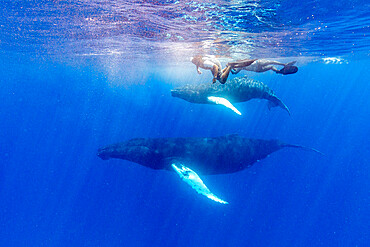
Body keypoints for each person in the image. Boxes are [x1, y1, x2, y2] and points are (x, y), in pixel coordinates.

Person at [191, 55, 256, 84]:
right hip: (213, 62)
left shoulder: (205, 63)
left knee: (222, 81)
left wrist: (215, 77)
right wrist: (197, 70)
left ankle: (230, 66)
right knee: (219, 74)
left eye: (195, 63)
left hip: (215, 64)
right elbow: (197, 63)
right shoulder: (197, 61)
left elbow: (215, 67)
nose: (195, 63)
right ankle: (227, 67)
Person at [229, 59, 298, 75]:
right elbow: (235, 72)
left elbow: (235, 72)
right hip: (257, 67)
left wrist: (231, 70)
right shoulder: (239, 67)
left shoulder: (239, 67)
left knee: (271, 64)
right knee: (271, 65)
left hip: (257, 67)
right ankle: (280, 69)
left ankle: (283, 65)